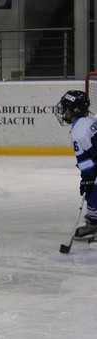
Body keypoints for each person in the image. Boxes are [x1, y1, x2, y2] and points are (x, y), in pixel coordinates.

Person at [54, 90, 97, 242]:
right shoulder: (90, 120)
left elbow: (86, 161)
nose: (63, 111)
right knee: (93, 190)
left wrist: (87, 179)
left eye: (66, 107)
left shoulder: (78, 132)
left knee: (93, 187)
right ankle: (93, 224)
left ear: (74, 110)